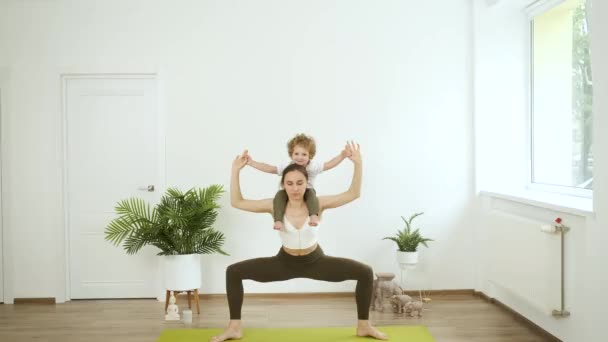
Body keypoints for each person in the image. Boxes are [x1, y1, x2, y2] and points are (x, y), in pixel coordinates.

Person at [209, 142, 388, 342]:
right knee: (233, 271)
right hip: (284, 263)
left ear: (307, 183)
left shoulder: (318, 203)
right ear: (283, 185)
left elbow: (352, 194)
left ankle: (364, 325)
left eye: (300, 183)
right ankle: (234, 327)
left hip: (316, 262)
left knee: (364, 272)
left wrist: (358, 163)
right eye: (290, 183)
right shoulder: (274, 206)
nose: (295, 188)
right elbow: (237, 202)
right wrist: (235, 170)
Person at [245, 133, 350, 230]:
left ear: (310, 156)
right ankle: (278, 220)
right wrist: (252, 163)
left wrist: (342, 156)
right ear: (291, 154)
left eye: (304, 154)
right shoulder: (288, 166)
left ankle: (313, 215)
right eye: (297, 153)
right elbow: (271, 168)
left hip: (307, 190)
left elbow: (328, 165)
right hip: (290, 192)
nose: (300, 157)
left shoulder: (313, 166)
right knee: (279, 196)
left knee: (312, 196)